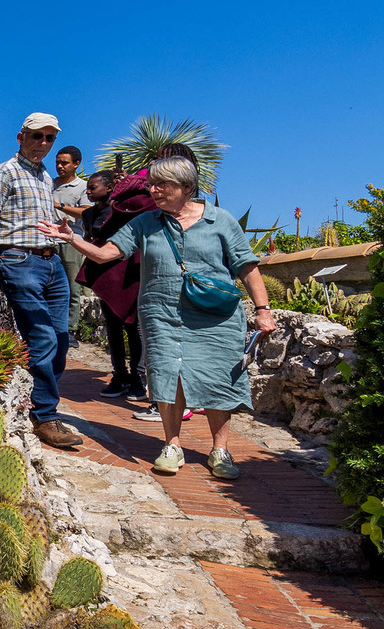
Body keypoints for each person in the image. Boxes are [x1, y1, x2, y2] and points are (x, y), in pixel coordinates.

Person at [47, 152, 277, 480]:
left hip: (215, 316)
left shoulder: (220, 220)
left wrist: (263, 310)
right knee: (168, 376)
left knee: (217, 378)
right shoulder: (145, 222)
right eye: (152, 185)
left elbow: (246, 266)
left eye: (161, 185)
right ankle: (172, 445)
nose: (153, 191)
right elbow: (106, 254)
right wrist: (73, 239)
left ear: (185, 186)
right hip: (160, 314)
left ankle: (220, 449)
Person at [0, 112, 83, 449]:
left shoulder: (43, 177)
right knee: (42, 337)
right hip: (18, 259)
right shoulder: (4, 173)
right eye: (38, 136)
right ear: (21, 136)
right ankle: (44, 414)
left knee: (62, 337)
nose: (43, 143)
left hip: (50, 260)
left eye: (49, 138)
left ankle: (40, 404)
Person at [78, 166, 147, 395]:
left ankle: (138, 378)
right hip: (104, 271)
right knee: (113, 327)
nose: (88, 191)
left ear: (109, 187)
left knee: (133, 327)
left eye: (93, 187)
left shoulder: (124, 209)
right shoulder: (88, 215)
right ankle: (119, 374)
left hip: (128, 271)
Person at [52, 145, 88, 302]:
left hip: (72, 241)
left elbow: (85, 212)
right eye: (58, 162)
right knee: (50, 286)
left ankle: (72, 326)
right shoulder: (48, 184)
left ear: (76, 164)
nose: (60, 166)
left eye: (64, 163)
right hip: (49, 239)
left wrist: (59, 206)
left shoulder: (83, 187)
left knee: (72, 288)